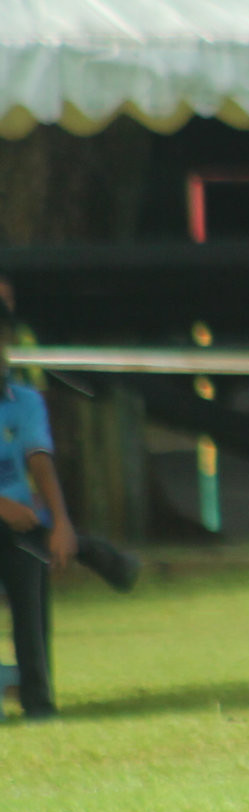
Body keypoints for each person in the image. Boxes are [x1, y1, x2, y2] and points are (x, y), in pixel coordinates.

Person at [1, 297, 140, 721]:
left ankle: (38, 705)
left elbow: (39, 460)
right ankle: (101, 556)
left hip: (19, 527)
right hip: (9, 516)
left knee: (31, 567)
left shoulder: (23, 400)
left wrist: (61, 523)